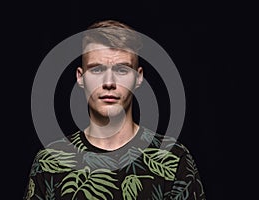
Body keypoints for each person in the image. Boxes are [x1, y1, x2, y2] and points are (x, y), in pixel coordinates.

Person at [23, 20, 206, 200]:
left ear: (138, 77)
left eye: (121, 70)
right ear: (80, 77)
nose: (109, 83)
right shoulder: (50, 161)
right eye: (96, 70)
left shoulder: (173, 158)